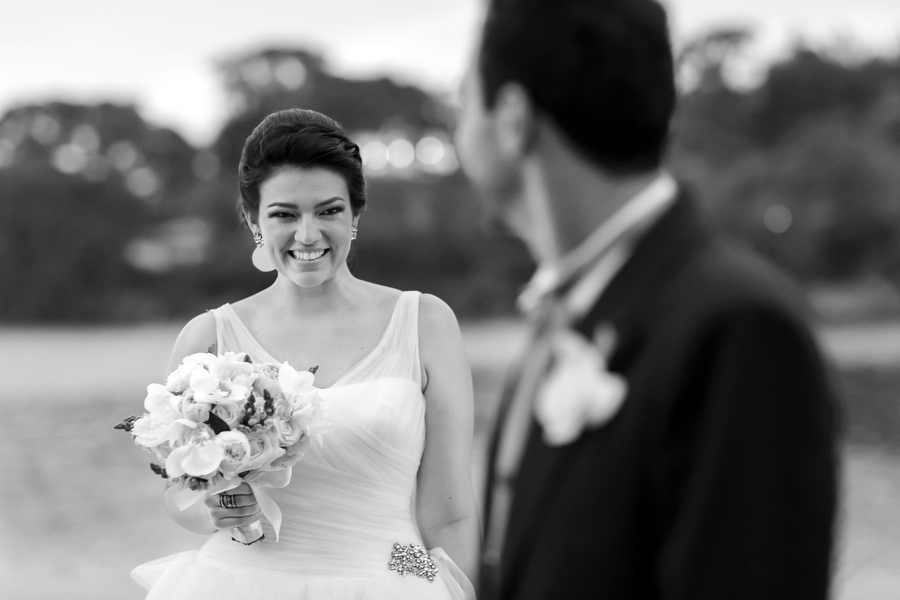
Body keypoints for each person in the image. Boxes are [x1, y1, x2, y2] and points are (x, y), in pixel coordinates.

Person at [454, 1, 838, 599]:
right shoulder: (563, 318)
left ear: (513, 118)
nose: (457, 132)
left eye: (462, 101)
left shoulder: (739, 328)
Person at [131, 108, 479, 599]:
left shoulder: (425, 322)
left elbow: (450, 515)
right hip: (238, 580)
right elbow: (179, 494)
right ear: (253, 219)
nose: (308, 234)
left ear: (356, 215)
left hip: (392, 572)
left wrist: (424, 582)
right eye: (284, 214)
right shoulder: (207, 338)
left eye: (329, 211)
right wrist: (214, 507)